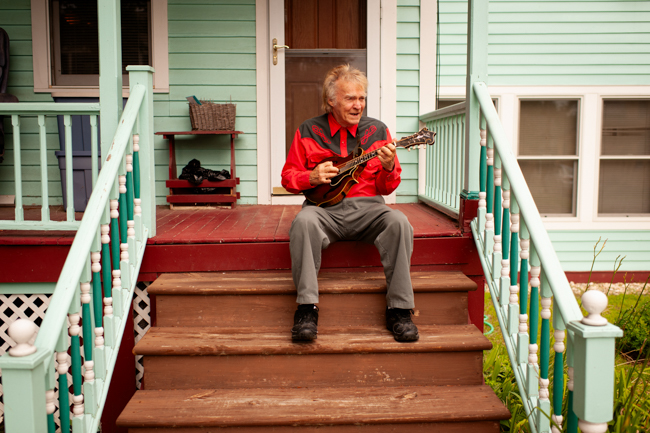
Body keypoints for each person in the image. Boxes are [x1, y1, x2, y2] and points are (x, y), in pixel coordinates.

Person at [281, 64, 418, 343]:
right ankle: (307, 308)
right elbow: (288, 177)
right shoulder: (308, 130)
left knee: (399, 221)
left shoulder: (378, 131)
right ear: (331, 100)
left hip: (369, 209)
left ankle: (400, 309)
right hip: (325, 211)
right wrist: (311, 176)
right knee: (303, 222)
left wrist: (390, 166)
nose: (358, 105)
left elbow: (387, 187)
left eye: (362, 98)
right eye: (350, 98)